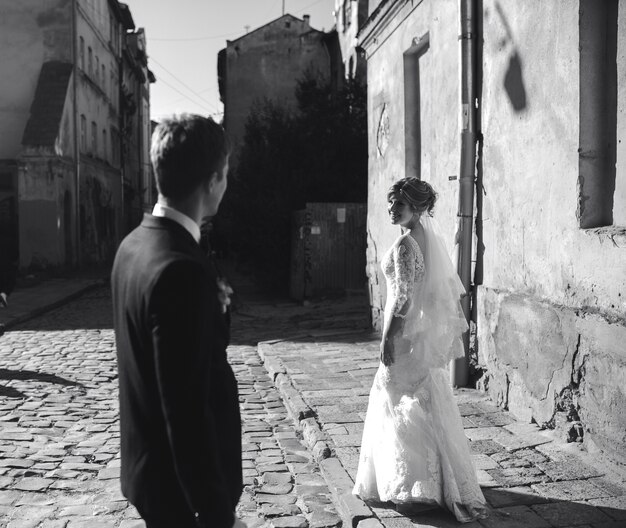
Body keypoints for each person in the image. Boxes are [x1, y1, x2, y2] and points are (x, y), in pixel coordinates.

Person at [111, 115, 245, 528]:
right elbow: (186, 410)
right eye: (225, 174)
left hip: (149, 472)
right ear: (213, 180)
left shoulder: (133, 245)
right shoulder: (179, 270)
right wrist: (216, 515)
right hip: (180, 496)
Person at [352, 177, 488, 523]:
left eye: (399, 204)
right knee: (425, 402)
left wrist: (387, 338)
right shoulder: (428, 238)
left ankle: (411, 483)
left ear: (418, 208)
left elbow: (403, 297)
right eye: (391, 203)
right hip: (419, 333)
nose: (391, 209)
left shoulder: (406, 244)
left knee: (395, 401)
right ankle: (440, 481)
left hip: (404, 333)